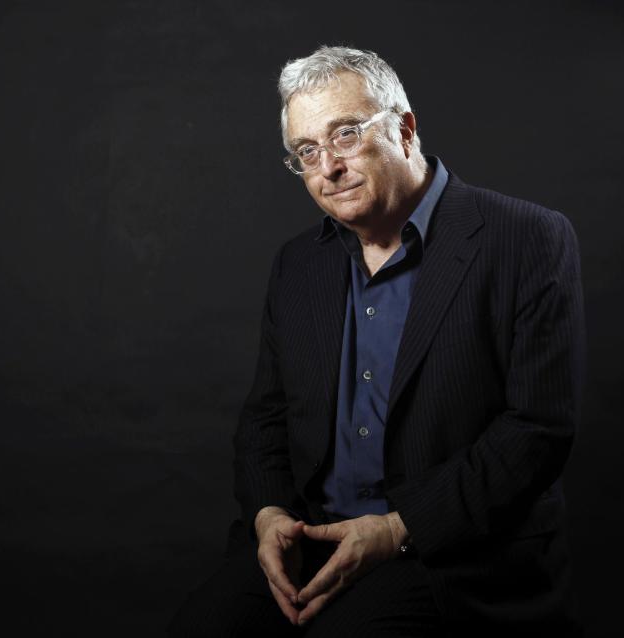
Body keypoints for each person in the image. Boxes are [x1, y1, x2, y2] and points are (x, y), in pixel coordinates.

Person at [169, 45, 586, 637]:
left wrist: (396, 528)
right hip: (313, 536)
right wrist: (268, 517)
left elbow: (539, 430)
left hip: (447, 550)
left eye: (344, 136)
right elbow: (265, 418)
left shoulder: (527, 238)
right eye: (306, 152)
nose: (327, 168)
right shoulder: (298, 265)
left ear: (405, 129)